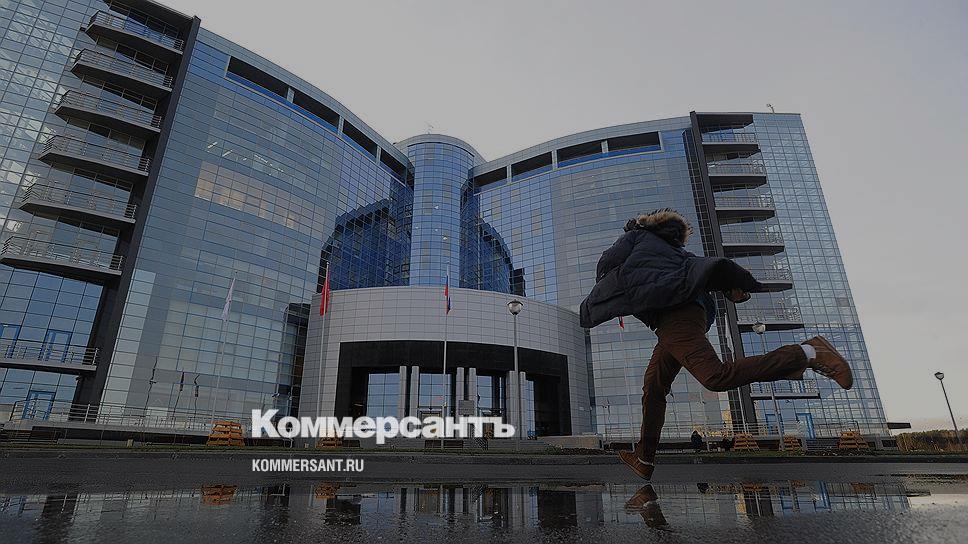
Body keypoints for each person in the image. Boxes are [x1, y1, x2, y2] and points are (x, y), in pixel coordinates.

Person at [580, 210, 853, 480]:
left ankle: (808, 352)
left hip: (675, 317)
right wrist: (730, 287)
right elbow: (704, 271)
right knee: (654, 387)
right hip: (682, 319)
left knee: (715, 377)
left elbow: (607, 262)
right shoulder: (677, 253)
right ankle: (644, 458)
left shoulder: (638, 237)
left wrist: (610, 289)